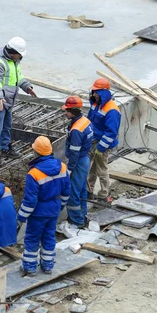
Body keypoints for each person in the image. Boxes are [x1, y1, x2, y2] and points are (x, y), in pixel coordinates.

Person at [17, 136, 71, 276]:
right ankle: (47, 266)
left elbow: (30, 201)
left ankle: (29, 267)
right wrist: (59, 206)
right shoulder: (62, 167)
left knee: (32, 239)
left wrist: (21, 217)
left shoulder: (34, 173)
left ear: (36, 152)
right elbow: (66, 192)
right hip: (53, 210)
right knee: (49, 237)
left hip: (38, 213)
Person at [0, 37, 38, 167]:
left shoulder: (14, 61)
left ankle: (5, 147)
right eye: (19, 54)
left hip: (8, 101)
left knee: (7, 126)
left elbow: (18, 77)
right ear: (13, 52)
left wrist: (27, 87)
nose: (21, 56)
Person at [87, 78, 121, 201]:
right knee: (92, 169)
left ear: (103, 92)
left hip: (103, 144)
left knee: (101, 170)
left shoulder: (112, 110)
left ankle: (104, 195)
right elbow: (90, 121)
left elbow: (111, 133)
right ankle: (88, 190)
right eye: (94, 92)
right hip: (93, 140)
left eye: (96, 92)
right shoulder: (96, 104)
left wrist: (101, 148)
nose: (94, 94)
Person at [62, 96, 93, 228]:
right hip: (84, 159)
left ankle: (76, 221)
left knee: (72, 192)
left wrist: (70, 168)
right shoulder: (85, 121)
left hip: (78, 162)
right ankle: (83, 214)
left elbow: (74, 151)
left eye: (67, 111)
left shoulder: (76, 130)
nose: (65, 113)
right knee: (81, 190)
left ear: (73, 111)